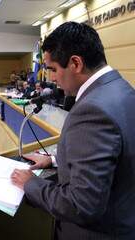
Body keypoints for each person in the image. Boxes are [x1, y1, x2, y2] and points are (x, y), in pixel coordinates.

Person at [11, 22, 135, 239]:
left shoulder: (92, 110)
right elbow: (117, 154)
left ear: (75, 63)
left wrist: (31, 183)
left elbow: (81, 204)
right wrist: (56, 159)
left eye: (53, 69)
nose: (51, 78)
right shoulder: (122, 89)